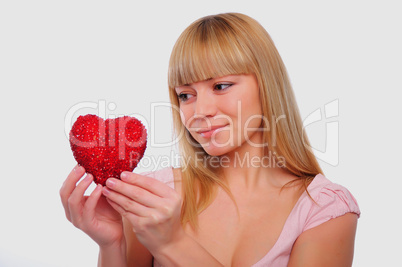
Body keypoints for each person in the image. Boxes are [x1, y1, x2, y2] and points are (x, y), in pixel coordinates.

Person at [60, 12, 360, 266]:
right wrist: (111, 245)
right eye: (185, 95)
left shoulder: (322, 209)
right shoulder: (155, 197)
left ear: (266, 84)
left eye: (221, 86)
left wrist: (173, 244)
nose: (199, 111)